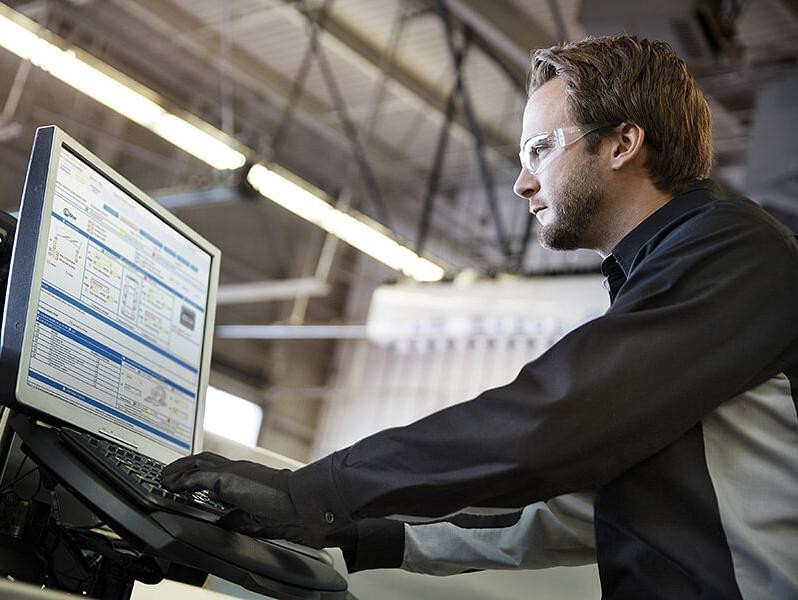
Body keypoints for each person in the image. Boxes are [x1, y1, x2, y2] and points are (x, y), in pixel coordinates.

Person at [163, 35, 798, 599]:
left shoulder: (733, 250)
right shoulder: (672, 280)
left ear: (623, 144)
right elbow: (566, 515)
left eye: (541, 149)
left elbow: (555, 418)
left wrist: (315, 495)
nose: (523, 183)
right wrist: (357, 535)